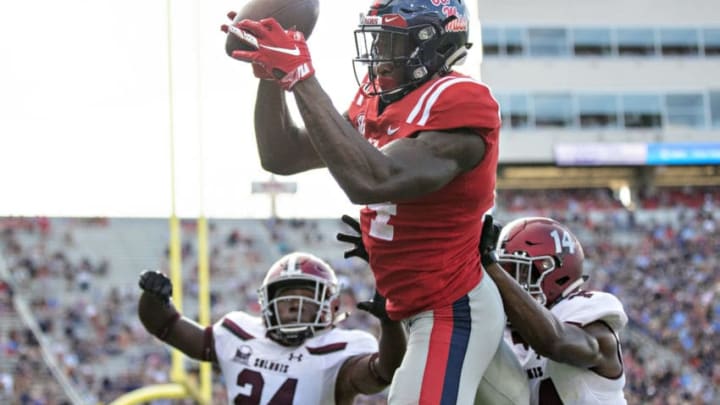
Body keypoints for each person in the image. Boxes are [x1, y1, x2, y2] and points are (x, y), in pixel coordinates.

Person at [222, 0, 516, 402]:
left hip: (452, 307)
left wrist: (301, 76)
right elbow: (282, 154)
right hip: (414, 307)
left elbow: (373, 179)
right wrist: (272, 75)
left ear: (431, 45)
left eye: (391, 41)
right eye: (377, 38)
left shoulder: (459, 101)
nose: (378, 53)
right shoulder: (377, 100)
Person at [137, 251, 406, 404]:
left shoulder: (341, 349)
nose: (293, 305)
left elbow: (386, 371)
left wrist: (390, 322)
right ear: (267, 302)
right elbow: (166, 326)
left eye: (305, 298)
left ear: (327, 305)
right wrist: (154, 298)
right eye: (285, 296)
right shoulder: (239, 332)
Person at [479, 215, 629, 404]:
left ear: (556, 275)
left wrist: (491, 266)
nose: (509, 282)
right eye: (505, 272)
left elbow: (555, 342)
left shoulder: (586, 314)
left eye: (518, 273)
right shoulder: (503, 332)